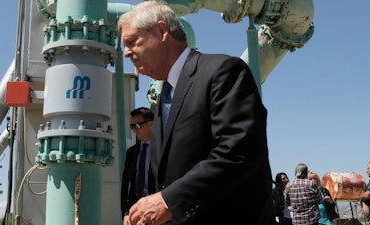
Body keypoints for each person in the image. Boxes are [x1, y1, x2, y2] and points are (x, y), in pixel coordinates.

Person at [117, 1, 275, 225]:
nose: (126, 53)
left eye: (132, 42)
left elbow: (239, 151)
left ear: (162, 31)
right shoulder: (163, 98)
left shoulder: (223, 71)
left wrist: (168, 202)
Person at [121, 107, 155, 225]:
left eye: (137, 126)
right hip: (135, 213)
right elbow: (125, 185)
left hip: (156, 211)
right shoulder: (131, 152)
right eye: (132, 127)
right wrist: (125, 213)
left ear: (150, 124)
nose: (134, 130)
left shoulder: (163, 150)